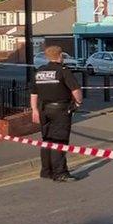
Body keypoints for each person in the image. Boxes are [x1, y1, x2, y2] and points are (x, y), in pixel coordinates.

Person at [30, 45, 84, 182]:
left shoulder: (39, 72)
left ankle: (46, 171)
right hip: (60, 110)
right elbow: (76, 90)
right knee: (60, 141)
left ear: (47, 57)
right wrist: (78, 103)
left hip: (43, 109)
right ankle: (60, 172)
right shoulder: (63, 71)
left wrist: (34, 110)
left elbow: (33, 94)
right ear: (60, 56)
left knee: (47, 140)